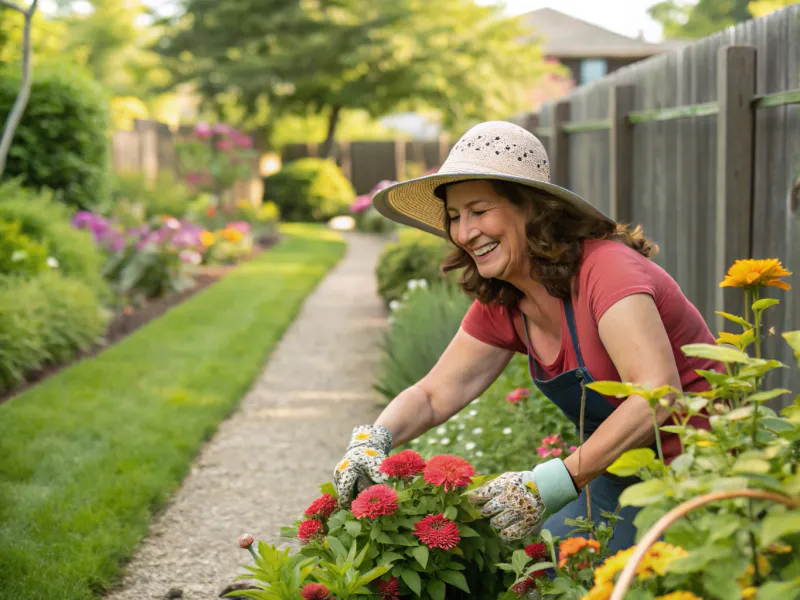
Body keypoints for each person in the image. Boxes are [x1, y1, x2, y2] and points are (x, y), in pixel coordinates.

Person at [332, 121, 720, 551]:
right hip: (620, 471)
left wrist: (549, 483)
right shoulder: (507, 296)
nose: (464, 233)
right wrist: (373, 439)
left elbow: (657, 392)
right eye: (455, 217)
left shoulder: (607, 270)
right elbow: (435, 393)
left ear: (534, 210)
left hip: (702, 472)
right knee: (535, 563)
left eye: (479, 211)